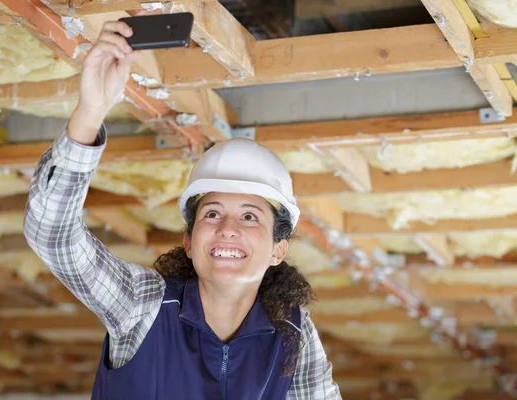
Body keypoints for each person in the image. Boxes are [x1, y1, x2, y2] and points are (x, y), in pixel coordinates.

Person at [23, 16, 341, 400]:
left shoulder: (293, 335)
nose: (228, 228)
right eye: (212, 213)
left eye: (250, 216)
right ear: (189, 243)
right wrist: (91, 111)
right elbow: (52, 234)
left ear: (279, 249)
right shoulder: (145, 308)